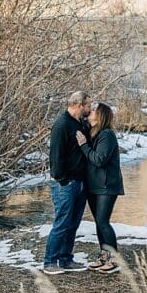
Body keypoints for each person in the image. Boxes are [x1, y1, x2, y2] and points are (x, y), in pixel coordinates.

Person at [43, 90, 92, 274]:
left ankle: (65, 259)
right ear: (79, 105)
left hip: (80, 182)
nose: (90, 108)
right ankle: (49, 262)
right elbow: (55, 156)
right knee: (62, 222)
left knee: (73, 223)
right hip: (66, 183)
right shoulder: (62, 125)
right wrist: (63, 180)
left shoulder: (81, 123)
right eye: (88, 105)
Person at [75, 102, 124, 274]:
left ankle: (115, 259)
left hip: (106, 186)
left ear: (101, 115)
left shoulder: (107, 135)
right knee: (99, 222)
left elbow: (99, 159)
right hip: (94, 185)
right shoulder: (92, 132)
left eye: (94, 110)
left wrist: (83, 146)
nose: (91, 111)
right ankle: (104, 256)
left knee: (103, 222)